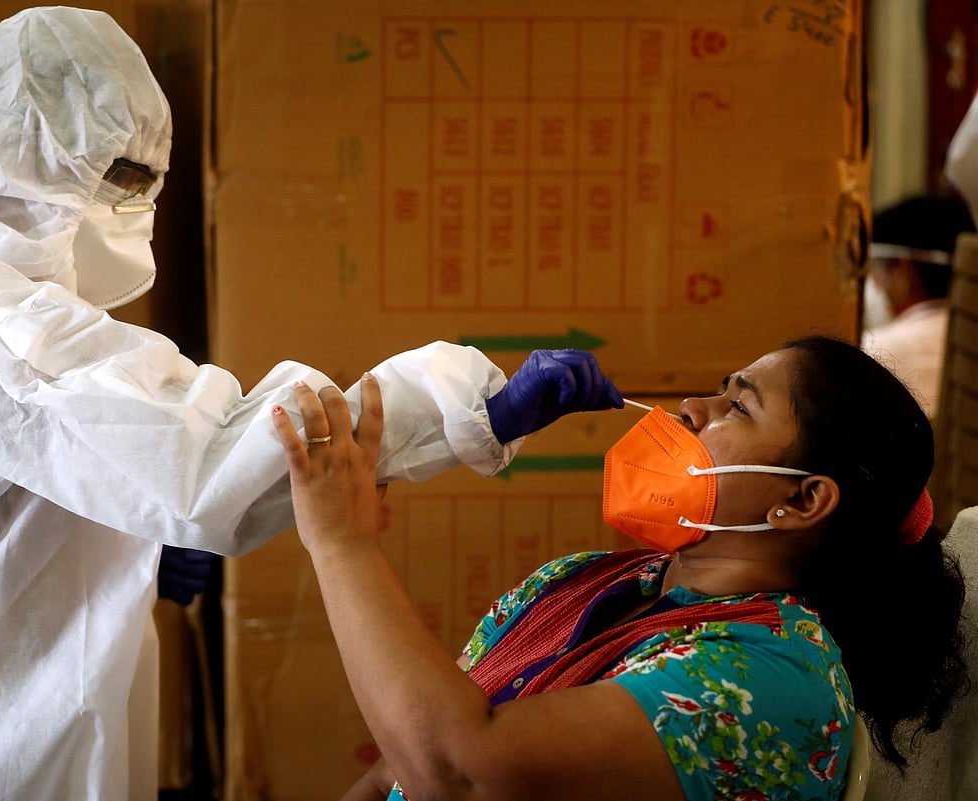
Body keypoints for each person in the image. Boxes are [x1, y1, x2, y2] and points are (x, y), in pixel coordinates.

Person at [0, 8, 622, 801]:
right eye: (116, 178)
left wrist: (122, 549)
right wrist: (465, 404)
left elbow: (11, 492)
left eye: (145, 181)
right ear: (15, 156)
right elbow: (211, 453)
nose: (133, 208)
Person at [273, 335, 969, 801]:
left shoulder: (775, 680)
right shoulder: (589, 580)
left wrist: (343, 542)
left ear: (803, 498)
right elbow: (402, 756)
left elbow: (461, 773)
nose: (690, 408)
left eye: (738, 405)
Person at [861, 193, 974, 419]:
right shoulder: (970, 338)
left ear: (905, 274)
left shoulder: (874, 352)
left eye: (881, 269)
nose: (876, 283)